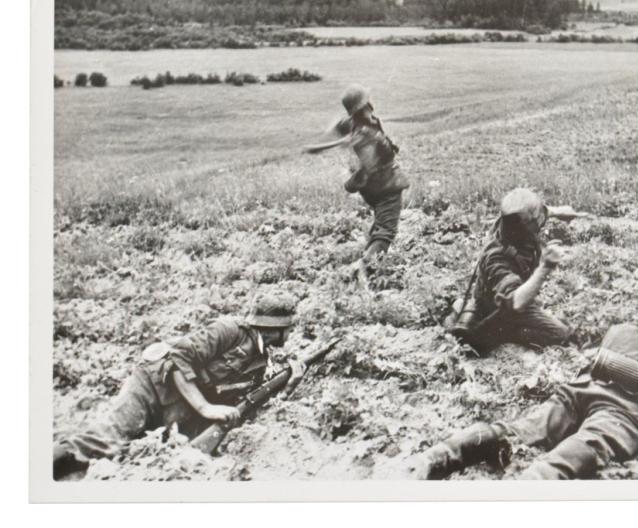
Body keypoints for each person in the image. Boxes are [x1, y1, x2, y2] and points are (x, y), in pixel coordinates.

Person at [413, 293, 638, 480]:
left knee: (518, 430)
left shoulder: (619, 329)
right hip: (622, 411)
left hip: (578, 392)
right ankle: (532, 484)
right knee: (588, 444)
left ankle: (439, 455)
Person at [53, 296, 305, 480]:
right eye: (289, 328)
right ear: (276, 328)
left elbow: (250, 403)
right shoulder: (229, 330)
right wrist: (205, 407)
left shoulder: (260, 360)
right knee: (106, 440)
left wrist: (289, 384)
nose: (291, 333)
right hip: (152, 385)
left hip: (179, 408)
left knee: (138, 452)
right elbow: (178, 359)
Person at [449, 187, 585, 355]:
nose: (543, 222)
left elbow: (536, 213)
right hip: (502, 309)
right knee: (564, 335)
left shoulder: (512, 224)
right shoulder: (497, 258)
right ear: (527, 225)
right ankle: (511, 334)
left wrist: (560, 212)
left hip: (515, 296)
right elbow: (516, 303)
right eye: (538, 221)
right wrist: (546, 266)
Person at [302, 84, 410, 270]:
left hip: (374, 190)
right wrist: (351, 180)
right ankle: (365, 267)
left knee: (381, 223)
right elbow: (369, 166)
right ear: (365, 105)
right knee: (386, 231)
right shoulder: (366, 135)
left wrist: (320, 145)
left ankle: (371, 257)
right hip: (386, 186)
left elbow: (339, 126)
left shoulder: (355, 124)